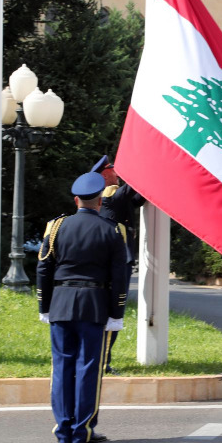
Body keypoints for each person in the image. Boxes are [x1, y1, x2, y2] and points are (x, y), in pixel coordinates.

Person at [36, 171, 128, 443]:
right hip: (94, 305)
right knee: (89, 367)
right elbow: (119, 276)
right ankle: (82, 430)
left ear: (76, 200)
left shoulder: (56, 227)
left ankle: (63, 429)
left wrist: (44, 305)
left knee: (62, 366)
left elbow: (44, 268)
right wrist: (116, 313)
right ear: (100, 201)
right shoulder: (113, 230)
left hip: (61, 304)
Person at [90, 154, 146, 375]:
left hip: (116, 261)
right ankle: (102, 363)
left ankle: (102, 360)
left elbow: (138, 198)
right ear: (105, 175)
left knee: (112, 313)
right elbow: (134, 184)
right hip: (116, 263)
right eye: (114, 169)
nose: (117, 172)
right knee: (113, 313)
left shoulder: (116, 197)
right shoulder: (110, 195)